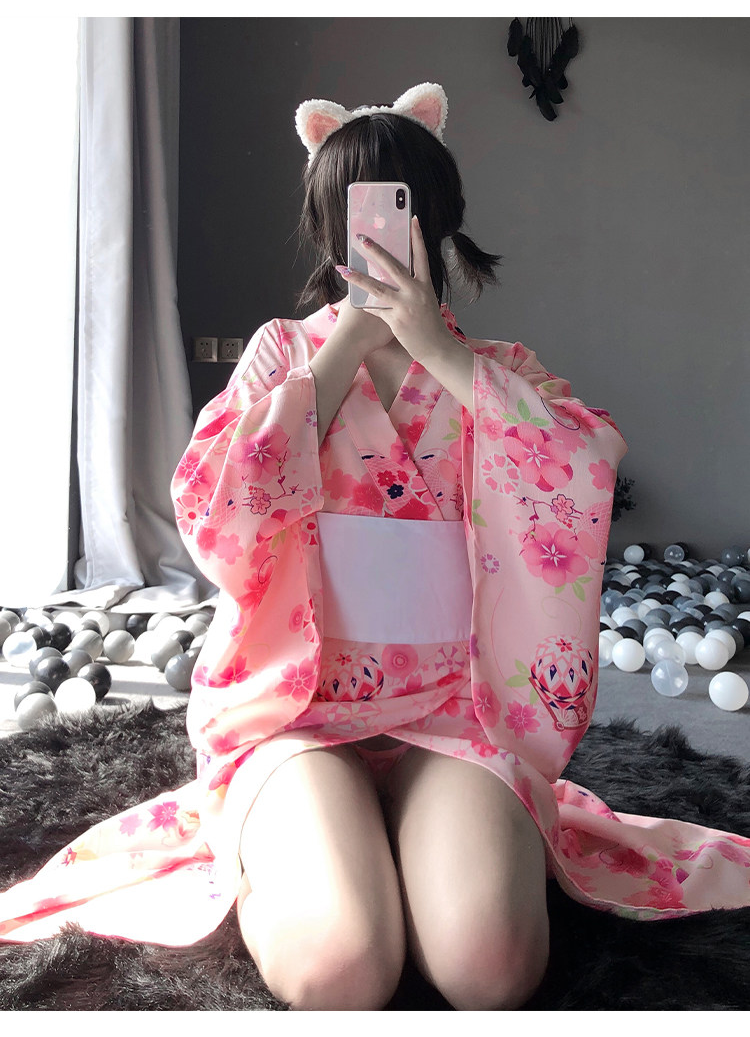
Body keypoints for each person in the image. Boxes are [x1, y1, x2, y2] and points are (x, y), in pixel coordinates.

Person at [1, 82, 749, 1012]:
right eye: (359, 209)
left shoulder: (499, 372)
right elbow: (214, 505)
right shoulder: (283, 355)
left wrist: (440, 350)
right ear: (331, 224)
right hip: (297, 711)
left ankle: (418, 832)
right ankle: (284, 849)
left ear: (436, 217)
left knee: (489, 968)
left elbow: (580, 470)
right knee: (341, 968)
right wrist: (347, 343)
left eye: (403, 205)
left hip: (457, 710)